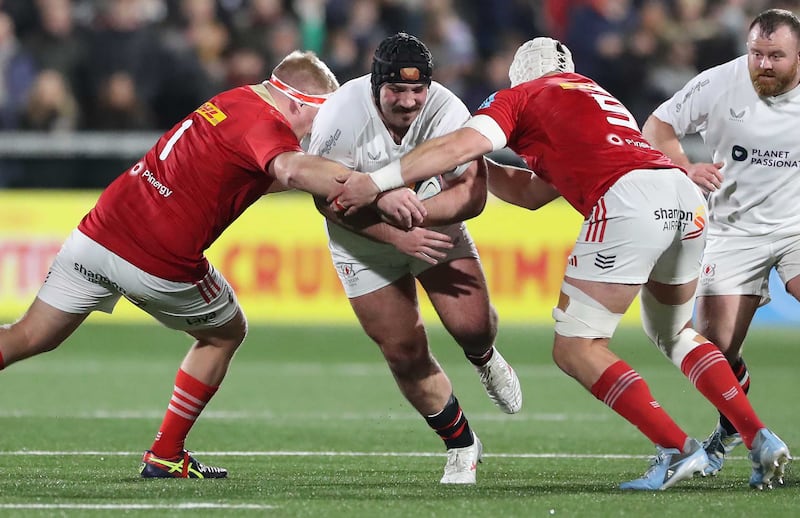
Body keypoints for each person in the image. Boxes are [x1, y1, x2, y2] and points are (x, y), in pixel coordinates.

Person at [331, 36, 791, 491]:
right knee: (675, 333)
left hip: (629, 199)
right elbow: (533, 193)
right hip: (683, 197)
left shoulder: (521, 96)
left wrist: (378, 182)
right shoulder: (594, 97)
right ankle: (759, 437)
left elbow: (461, 147)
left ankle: (675, 448)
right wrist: (480, 176)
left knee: (576, 347)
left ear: (519, 75)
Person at [0, 50, 411, 479]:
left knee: (28, 335)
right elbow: (289, 170)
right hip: (156, 256)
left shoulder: (235, 100)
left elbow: (260, 175)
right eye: (319, 114)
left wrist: (332, 175)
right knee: (226, 332)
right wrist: (379, 189)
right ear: (293, 102)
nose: (323, 127)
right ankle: (165, 454)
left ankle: (166, 454)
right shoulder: (266, 124)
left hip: (99, 232)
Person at [307, 32, 522, 485]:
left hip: (432, 227)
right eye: (396, 90)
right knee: (404, 352)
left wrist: (413, 215)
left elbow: (473, 195)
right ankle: (462, 445)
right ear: (374, 85)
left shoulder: (448, 111)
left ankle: (484, 358)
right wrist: (391, 229)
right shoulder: (339, 115)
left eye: (416, 90)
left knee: (473, 326)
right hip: (363, 242)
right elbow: (325, 201)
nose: (408, 102)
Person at [642, 8, 800, 477]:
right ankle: (734, 428)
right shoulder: (719, 82)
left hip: (796, 226)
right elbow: (657, 128)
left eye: (776, 56)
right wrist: (685, 167)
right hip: (734, 231)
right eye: (756, 54)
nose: (764, 65)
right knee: (715, 350)